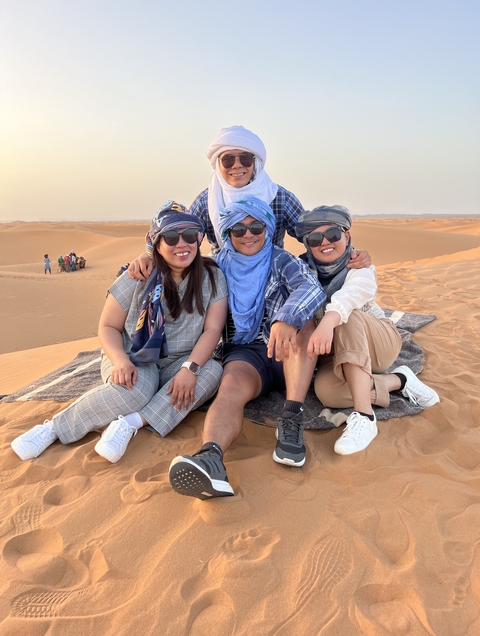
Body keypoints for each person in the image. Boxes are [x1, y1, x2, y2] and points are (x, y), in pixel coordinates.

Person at [11, 202, 228, 464]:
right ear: (156, 243)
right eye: (171, 237)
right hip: (135, 354)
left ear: (199, 239)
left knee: (212, 373)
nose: (182, 244)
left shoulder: (213, 276)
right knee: (135, 391)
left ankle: (131, 423)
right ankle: (53, 428)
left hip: (179, 360)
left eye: (190, 236)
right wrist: (120, 360)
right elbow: (107, 326)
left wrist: (189, 368)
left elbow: (213, 330)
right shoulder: (137, 275)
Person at [168, 197, 327, 500]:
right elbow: (175, 269)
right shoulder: (216, 267)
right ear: (227, 234)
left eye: (256, 227)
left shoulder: (281, 260)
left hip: (288, 349)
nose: (249, 235)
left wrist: (286, 319)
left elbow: (310, 288)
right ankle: (211, 458)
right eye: (239, 230)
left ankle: (291, 417)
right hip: (247, 352)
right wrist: (147, 257)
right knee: (229, 389)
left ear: (266, 228)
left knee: (304, 324)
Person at [127, 125, 371, 279]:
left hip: (273, 277)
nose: (237, 166)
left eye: (245, 158)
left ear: (255, 162)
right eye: (228, 160)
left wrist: (351, 252)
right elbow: (181, 232)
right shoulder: (207, 200)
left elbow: (316, 233)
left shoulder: (279, 196)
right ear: (217, 164)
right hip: (224, 281)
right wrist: (149, 255)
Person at [295, 205, 440, 455]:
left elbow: (351, 296)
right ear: (308, 244)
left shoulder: (359, 265)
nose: (325, 242)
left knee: (345, 317)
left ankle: (364, 416)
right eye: (315, 238)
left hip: (378, 343)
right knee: (327, 392)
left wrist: (328, 321)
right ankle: (399, 380)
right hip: (339, 354)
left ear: (347, 235)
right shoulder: (300, 271)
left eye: (332, 234)